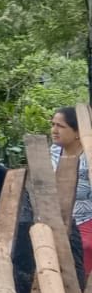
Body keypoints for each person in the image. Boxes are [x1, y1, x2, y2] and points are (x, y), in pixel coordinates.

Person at [50, 107, 92, 269]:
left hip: (86, 218)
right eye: (53, 124)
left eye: (60, 126)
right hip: (56, 217)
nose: (54, 130)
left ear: (77, 132)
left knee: (83, 248)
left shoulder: (88, 157)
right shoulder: (54, 151)